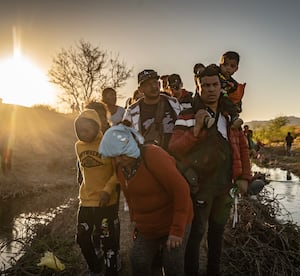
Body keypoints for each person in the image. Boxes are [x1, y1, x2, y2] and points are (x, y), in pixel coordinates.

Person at [169, 64, 251, 275]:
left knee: (217, 232)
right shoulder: (187, 115)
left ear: (220, 86)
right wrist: (196, 130)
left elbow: (242, 147)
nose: (211, 89)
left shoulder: (229, 117)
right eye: (206, 85)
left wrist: (244, 177)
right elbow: (174, 149)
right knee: (196, 234)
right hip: (199, 187)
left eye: (215, 84)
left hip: (225, 187)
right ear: (198, 87)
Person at [98, 124, 193, 276]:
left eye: (123, 154)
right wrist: (135, 220)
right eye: (114, 156)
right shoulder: (121, 167)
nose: (119, 160)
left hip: (174, 220)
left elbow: (181, 190)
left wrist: (176, 230)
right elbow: (130, 197)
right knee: (138, 261)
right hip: (149, 226)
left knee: (172, 264)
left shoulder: (153, 155)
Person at [74, 108, 120, 276]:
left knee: (108, 243)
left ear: (96, 127)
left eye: (87, 129)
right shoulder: (78, 146)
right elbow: (81, 169)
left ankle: (112, 270)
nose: (83, 133)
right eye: (80, 130)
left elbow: (118, 172)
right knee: (81, 237)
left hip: (106, 203)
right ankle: (94, 268)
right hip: (85, 202)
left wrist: (107, 190)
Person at [123, 69, 182, 151]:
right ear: (140, 89)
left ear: (159, 84)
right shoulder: (132, 111)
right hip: (149, 157)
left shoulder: (174, 103)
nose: (153, 86)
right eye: (148, 84)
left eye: (155, 82)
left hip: (176, 154)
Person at [219, 51, 246, 129]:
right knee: (224, 96)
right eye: (225, 65)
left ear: (236, 69)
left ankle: (234, 119)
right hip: (216, 99)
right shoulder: (215, 74)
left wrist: (238, 106)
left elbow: (236, 96)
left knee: (227, 97)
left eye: (232, 66)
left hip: (226, 102)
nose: (228, 68)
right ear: (220, 65)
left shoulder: (234, 84)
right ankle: (234, 117)